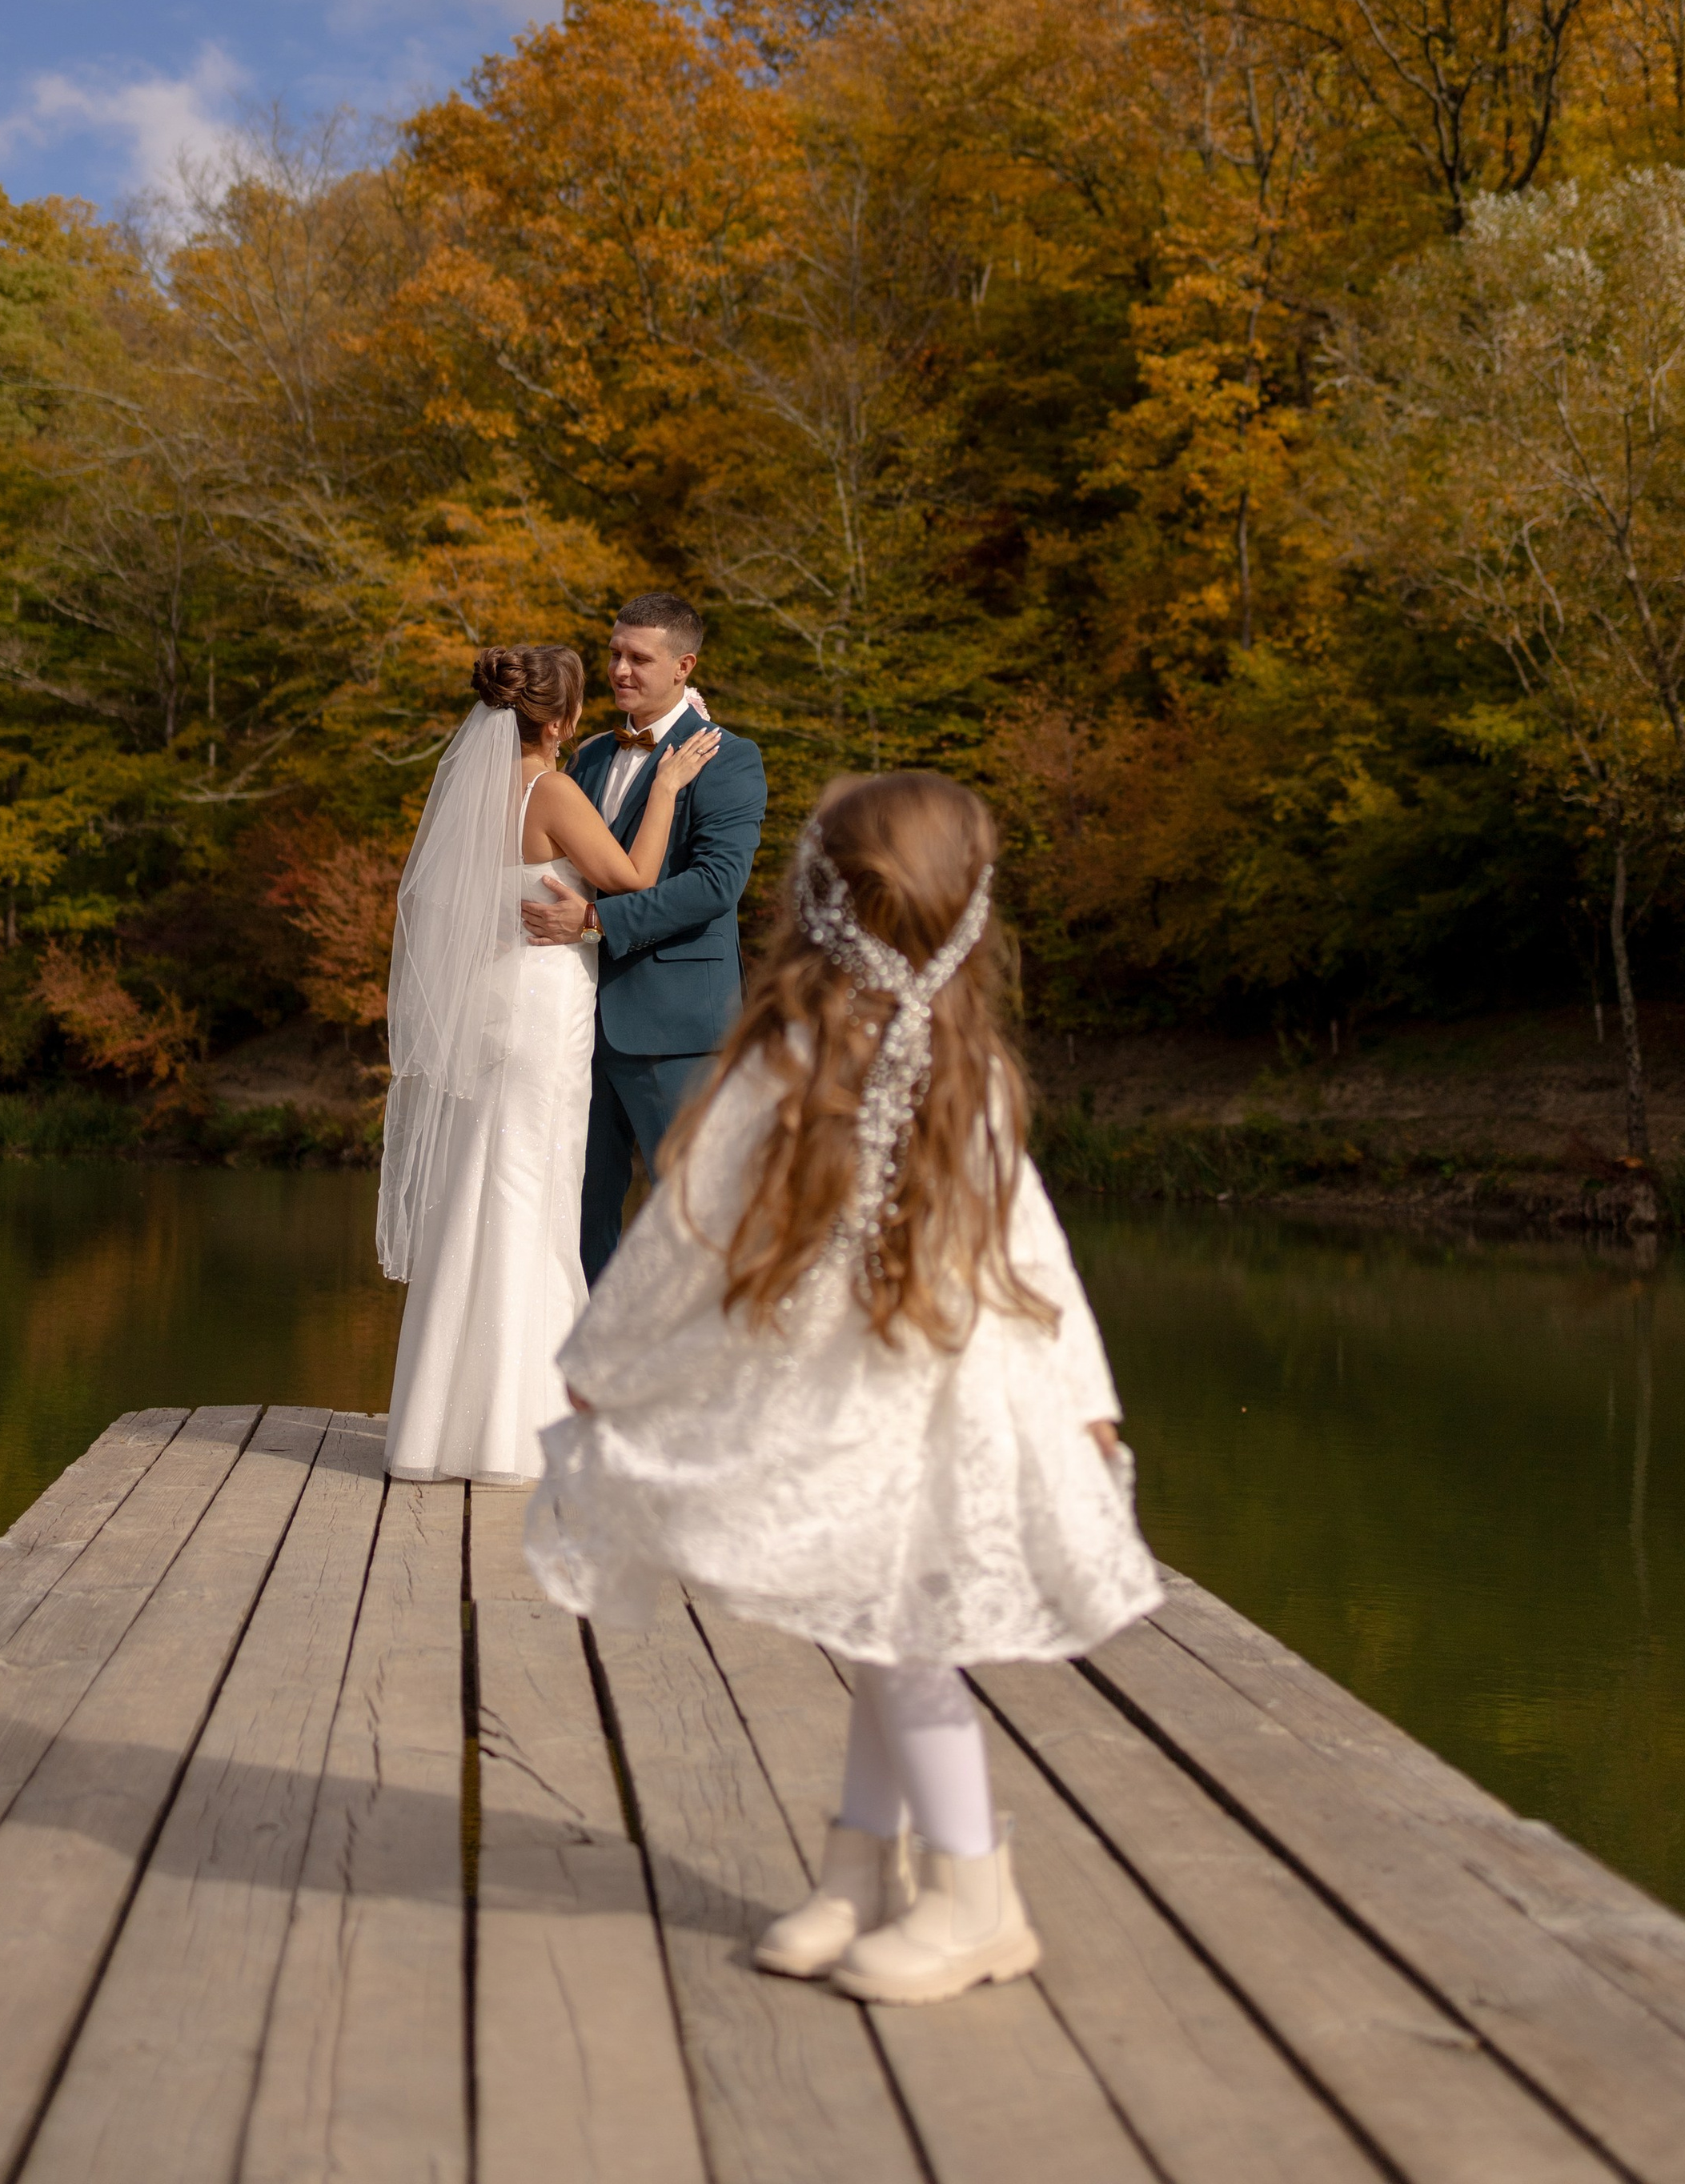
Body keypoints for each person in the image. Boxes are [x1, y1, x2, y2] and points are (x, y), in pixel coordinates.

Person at [524, 771, 1160, 2006]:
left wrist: (1083, 1391)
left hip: (951, 1409)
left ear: (815, 905)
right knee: (879, 1631)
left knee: (909, 1647)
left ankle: (978, 1900)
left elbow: (1027, 1241)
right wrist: (608, 1368)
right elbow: (693, 1228)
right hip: (851, 1403)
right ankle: (862, 1871)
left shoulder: (958, 1071)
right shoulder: (796, 1061)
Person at [378, 641, 720, 1484]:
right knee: (533, 1191)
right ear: (563, 721)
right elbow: (635, 877)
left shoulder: (469, 794)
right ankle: (516, 1434)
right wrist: (670, 787)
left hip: (490, 1006)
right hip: (541, 1012)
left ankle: (436, 1429)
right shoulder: (551, 789)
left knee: (482, 1186)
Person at [520, 593, 768, 1282]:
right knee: (576, 1215)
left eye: (639, 658)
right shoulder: (592, 755)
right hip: (573, 1019)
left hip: (677, 1027)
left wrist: (598, 922)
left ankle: (694, 1384)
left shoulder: (731, 760)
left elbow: (717, 884)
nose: (620, 670)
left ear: (685, 665)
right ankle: (591, 1381)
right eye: (613, 654)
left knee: (693, 1220)